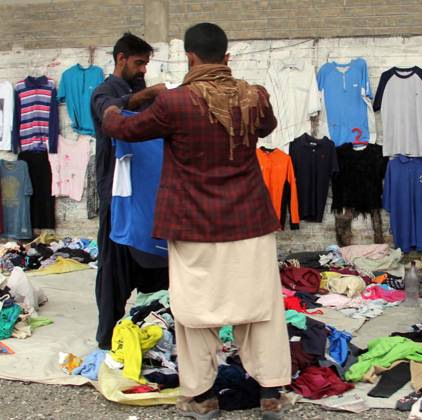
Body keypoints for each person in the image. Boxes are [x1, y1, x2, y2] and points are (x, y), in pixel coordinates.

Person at [102, 23, 291, 419]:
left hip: (193, 225)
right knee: (262, 309)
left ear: (190, 57)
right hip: (248, 222)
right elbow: (268, 126)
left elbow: (123, 129)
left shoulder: (175, 103)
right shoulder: (253, 96)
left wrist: (112, 107)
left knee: (194, 313)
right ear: (227, 58)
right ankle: (271, 394)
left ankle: (203, 399)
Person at [90, 33, 169, 350]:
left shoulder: (144, 94)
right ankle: (107, 338)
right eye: (139, 63)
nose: (143, 70)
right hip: (118, 197)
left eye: (146, 64)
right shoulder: (103, 93)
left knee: (158, 267)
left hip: (149, 197)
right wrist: (148, 94)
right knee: (114, 272)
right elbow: (111, 112)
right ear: (121, 58)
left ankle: (154, 330)